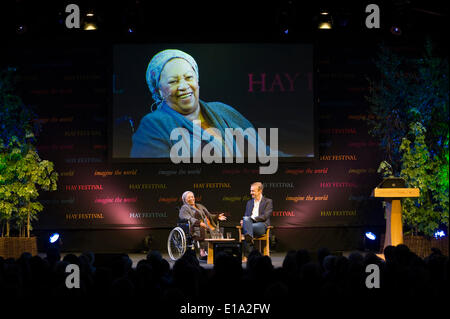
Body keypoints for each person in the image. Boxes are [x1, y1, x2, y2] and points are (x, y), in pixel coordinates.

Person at [130, 49, 267, 159]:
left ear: (197, 80)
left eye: (189, 77)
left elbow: (266, 154)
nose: (183, 86)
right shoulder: (153, 127)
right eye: (173, 81)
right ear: (158, 90)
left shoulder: (222, 110)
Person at [179, 191, 227, 260]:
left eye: (192, 197)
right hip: (196, 227)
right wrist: (199, 223)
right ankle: (203, 251)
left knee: (217, 231)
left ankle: (216, 252)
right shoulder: (185, 208)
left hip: (207, 225)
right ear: (185, 200)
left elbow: (209, 215)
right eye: (189, 197)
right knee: (203, 230)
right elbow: (187, 218)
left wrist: (217, 216)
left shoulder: (199, 206)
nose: (191, 198)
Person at [241, 182, 273, 261]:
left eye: (253, 191)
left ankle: (247, 255)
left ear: (260, 191)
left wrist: (251, 219)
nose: (251, 193)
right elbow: (246, 216)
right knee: (245, 219)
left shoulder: (268, 202)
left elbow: (265, 216)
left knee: (247, 226)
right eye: (251, 191)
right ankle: (249, 239)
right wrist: (244, 221)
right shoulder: (249, 203)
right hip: (250, 224)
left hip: (261, 225)